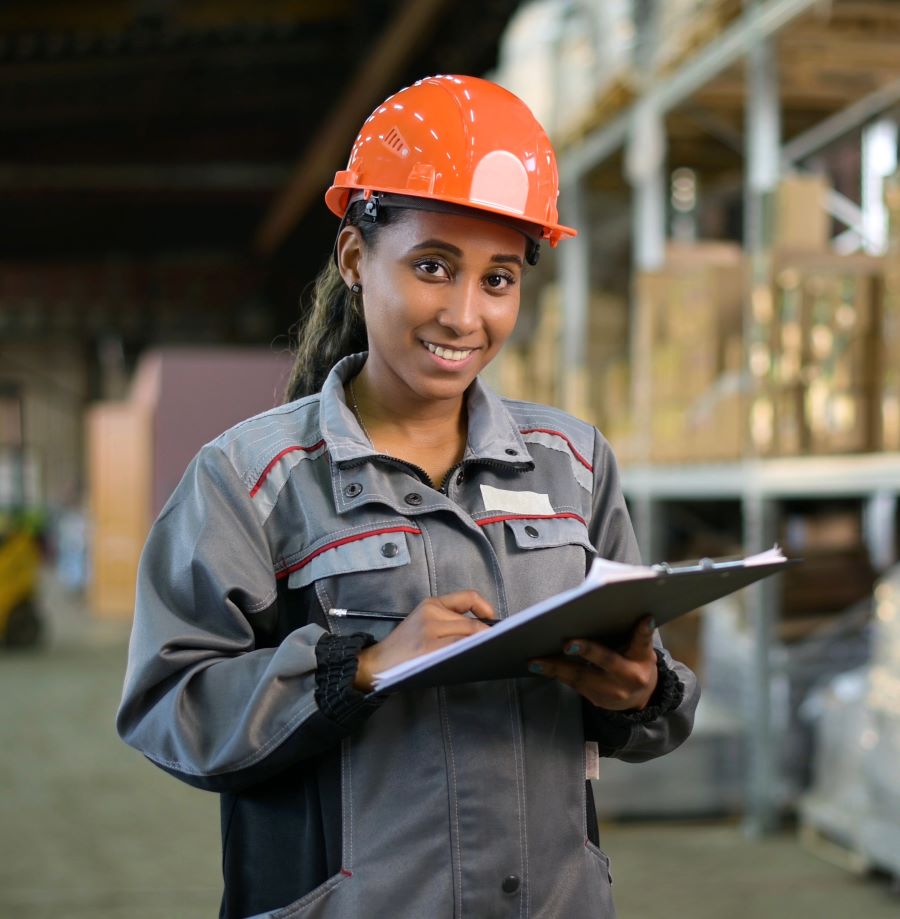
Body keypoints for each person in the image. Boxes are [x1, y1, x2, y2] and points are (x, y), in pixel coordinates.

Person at [117, 74, 699, 919]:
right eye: (434, 266)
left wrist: (641, 691)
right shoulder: (253, 478)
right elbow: (167, 705)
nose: (465, 315)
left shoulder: (571, 462)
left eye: (499, 279)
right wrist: (359, 667)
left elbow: (655, 694)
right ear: (357, 258)